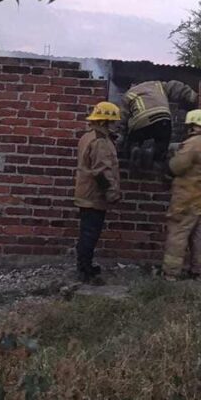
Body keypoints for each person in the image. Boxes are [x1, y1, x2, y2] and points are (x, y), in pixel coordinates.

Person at [162, 109, 201, 281]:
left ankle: (171, 273)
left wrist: (172, 157)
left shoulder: (194, 143)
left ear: (193, 126)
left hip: (187, 197)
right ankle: (199, 271)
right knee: (200, 236)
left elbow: (176, 167)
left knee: (178, 233)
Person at [74, 101, 122, 284]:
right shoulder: (100, 141)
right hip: (93, 196)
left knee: (87, 231)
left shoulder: (88, 136)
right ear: (104, 122)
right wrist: (111, 193)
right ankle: (84, 270)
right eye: (113, 122)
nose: (115, 125)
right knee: (90, 233)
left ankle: (85, 265)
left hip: (86, 193)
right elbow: (101, 171)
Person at [121, 80, 198, 170]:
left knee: (133, 140)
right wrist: (193, 96)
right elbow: (175, 87)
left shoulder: (128, 94)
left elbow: (123, 118)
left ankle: (135, 147)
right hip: (163, 118)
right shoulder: (157, 85)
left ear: (132, 85)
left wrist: (120, 138)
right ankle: (154, 152)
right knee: (162, 146)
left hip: (142, 120)